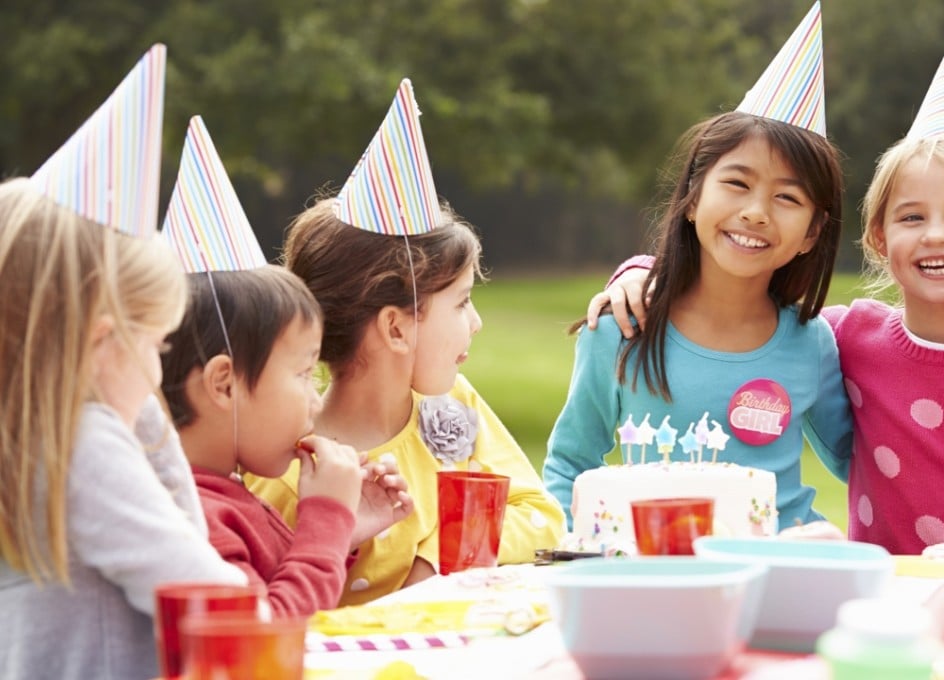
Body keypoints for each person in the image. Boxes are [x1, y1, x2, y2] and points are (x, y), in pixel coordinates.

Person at [593, 37, 944, 557]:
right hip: (886, 594)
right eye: (912, 216)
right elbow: (744, 297)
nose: (935, 235)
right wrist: (642, 272)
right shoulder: (846, 336)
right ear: (879, 239)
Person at [247, 198, 567, 605]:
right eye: (462, 302)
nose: (476, 322)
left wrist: (434, 561)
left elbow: (540, 515)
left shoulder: (452, 404)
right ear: (396, 329)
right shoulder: (289, 473)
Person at [0, 178, 248, 679]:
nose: (159, 375)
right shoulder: (84, 443)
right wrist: (148, 422)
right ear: (104, 340)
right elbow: (212, 598)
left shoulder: (22, 436)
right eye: (156, 348)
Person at [160, 265, 415, 615]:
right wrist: (326, 517)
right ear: (224, 384)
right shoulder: (194, 517)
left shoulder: (222, 492)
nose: (315, 400)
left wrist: (343, 531)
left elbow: (277, 582)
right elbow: (268, 637)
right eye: (304, 374)